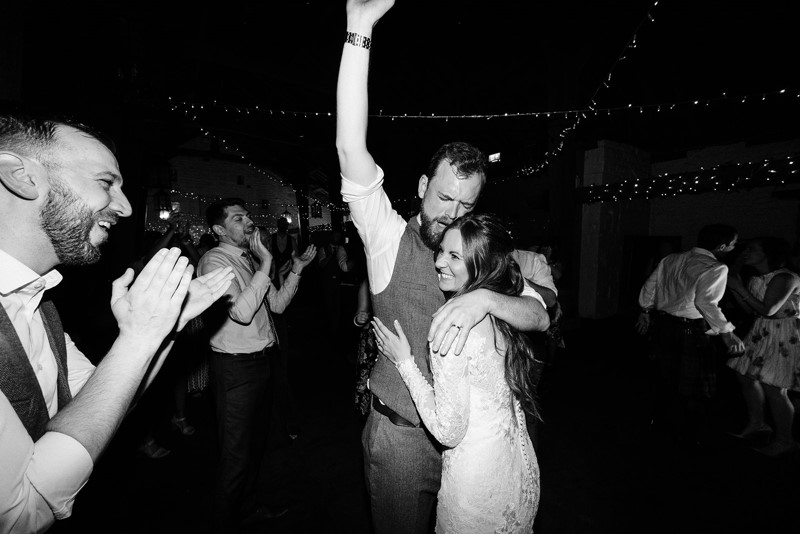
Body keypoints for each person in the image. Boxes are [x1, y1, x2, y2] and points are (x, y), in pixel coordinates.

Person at [336, 2, 550, 531]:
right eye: (443, 198)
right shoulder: (388, 239)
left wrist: (487, 298)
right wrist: (359, 31)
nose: (450, 213)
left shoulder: (480, 255)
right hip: (403, 438)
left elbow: (542, 312)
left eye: (465, 206)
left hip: (473, 453)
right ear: (421, 187)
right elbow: (349, 147)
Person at [0, 113, 233, 533]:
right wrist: (140, 336)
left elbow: (104, 403)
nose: (125, 207)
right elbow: (20, 514)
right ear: (20, 176)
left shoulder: (37, 302)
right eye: (106, 183)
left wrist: (164, 328)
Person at [373, 213, 540, 533]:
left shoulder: (452, 325)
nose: (439, 263)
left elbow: (448, 430)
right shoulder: (500, 307)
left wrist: (404, 362)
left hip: (475, 486)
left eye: (454, 256)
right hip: (514, 468)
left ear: (483, 264)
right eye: (441, 252)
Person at [196, 198, 317, 533]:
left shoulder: (248, 259)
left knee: (254, 448)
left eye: (248, 216)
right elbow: (241, 313)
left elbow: (276, 306)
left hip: (261, 364)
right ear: (219, 229)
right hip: (235, 370)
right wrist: (265, 262)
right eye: (238, 218)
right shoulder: (214, 262)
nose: (248, 221)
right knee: (235, 457)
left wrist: (296, 270)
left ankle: (246, 509)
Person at [636, 224, 745, 448]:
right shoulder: (716, 268)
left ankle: (661, 424)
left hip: (663, 325)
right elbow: (705, 302)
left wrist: (645, 311)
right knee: (694, 386)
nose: (735, 247)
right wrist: (727, 332)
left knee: (666, 376)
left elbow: (649, 286)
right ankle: (688, 435)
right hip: (689, 329)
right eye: (733, 244)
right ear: (722, 246)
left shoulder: (671, 259)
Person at [726, 237, 800, 456]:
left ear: (768, 253)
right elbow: (752, 310)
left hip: (782, 333)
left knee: (774, 387)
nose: (746, 252)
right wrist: (737, 289)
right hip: (762, 331)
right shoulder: (759, 277)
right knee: (746, 376)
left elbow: (769, 310)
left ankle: (785, 440)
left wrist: (739, 287)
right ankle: (758, 423)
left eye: (753, 249)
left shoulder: (784, 277)